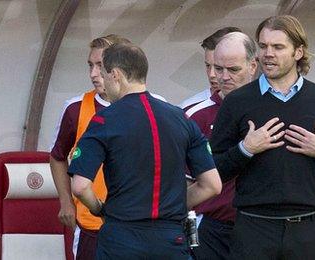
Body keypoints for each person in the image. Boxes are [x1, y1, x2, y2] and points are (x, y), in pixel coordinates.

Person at [209, 15, 315, 259]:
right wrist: (245, 149)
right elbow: (212, 172)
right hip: (253, 231)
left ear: (298, 52)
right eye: (263, 46)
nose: (268, 53)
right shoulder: (237, 102)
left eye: (278, 47)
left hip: (307, 232)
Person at [68, 42, 222, 259]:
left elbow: (80, 186)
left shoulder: (104, 120)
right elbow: (212, 185)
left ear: (116, 75)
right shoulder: (181, 118)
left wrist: (98, 209)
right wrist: (171, 205)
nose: (100, 82)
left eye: (103, 75)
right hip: (170, 239)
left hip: (121, 237)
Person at [49, 34, 130, 259]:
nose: (93, 74)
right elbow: (57, 156)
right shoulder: (75, 108)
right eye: (90, 65)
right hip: (91, 226)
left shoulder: (154, 105)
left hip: (137, 226)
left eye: (100, 66)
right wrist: (66, 201)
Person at [186, 32, 257, 260]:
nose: (221, 77)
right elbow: (181, 181)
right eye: (217, 68)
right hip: (210, 227)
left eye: (232, 69)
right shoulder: (194, 115)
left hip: (260, 226)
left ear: (252, 66)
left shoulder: (271, 108)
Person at [179, 27, 241, 109]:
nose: (212, 75)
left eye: (218, 67)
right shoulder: (188, 110)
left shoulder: (262, 103)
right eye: (208, 66)